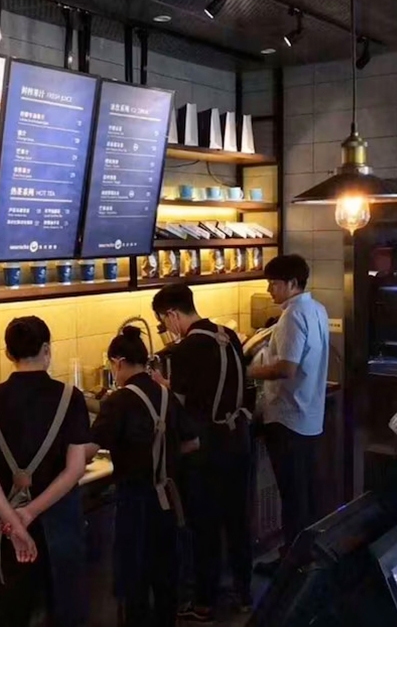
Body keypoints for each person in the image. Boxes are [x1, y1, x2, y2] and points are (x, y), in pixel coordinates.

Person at [0, 315, 91, 626]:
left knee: (15, 614)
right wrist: (31, 512)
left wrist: (16, 522)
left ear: (8, 353)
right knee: (65, 612)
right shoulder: (70, 397)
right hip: (61, 524)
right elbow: (75, 468)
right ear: (47, 350)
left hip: (10, 529)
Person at [151, 283, 253, 624]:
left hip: (207, 448)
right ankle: (243, 593)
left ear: (172, 314)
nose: (167, 330)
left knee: (205, 525)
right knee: (237, 520)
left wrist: (161, 388)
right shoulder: (227, 335)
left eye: (164, 323)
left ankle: (205, 603)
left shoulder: (186, 350)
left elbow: (179, 406)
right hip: (238, 438)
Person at [85, 326, 194, 625]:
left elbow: (88, 451)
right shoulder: (164, 393)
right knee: (165, 576)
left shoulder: (118, 402)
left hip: (135, 502)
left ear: (118, 362)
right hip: (168, 499)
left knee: (135, 579)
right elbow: (192, 441)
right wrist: (163, 457)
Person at [248, 254, 329, 574]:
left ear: (292, 283)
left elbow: (286, 368)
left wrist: (250, 371)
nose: (269, 289)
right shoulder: (317, 309)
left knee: (293, 496)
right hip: (309, 415)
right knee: (304, 493)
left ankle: (292, 565)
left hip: (288, 417)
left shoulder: (293, 316)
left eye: (274, 283)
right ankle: (304, 557)